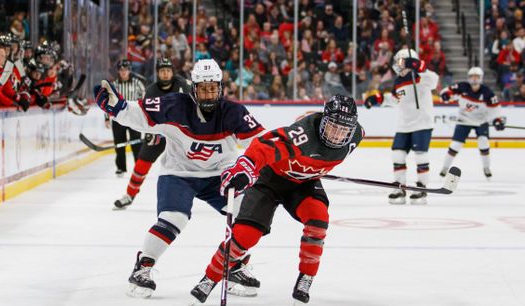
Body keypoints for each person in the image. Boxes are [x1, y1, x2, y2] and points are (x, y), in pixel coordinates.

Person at [93, 59, 265, 298]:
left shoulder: (233, 112)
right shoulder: (174, 105)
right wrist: (118, 108)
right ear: (193, 88)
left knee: (247, 215)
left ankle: (234, 265)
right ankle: (143, 267)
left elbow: (261, 143)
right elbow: (139, 114)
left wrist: (279, 157)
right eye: (203, 88)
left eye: (213, 88)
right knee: (174, 218)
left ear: (221, 88)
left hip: (220, 176)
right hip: (179, 174)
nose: (208, 93)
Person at [188, 94, 364, 305]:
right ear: (324, 120)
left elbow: (328, 149)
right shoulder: (302, 135)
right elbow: (264, 146)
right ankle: (209, 278)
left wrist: (311, 167)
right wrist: (244, 168)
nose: (337, 135)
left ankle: (306, 277)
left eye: (343, 129)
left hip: (303, 184)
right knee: (246, 235)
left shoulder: (356, 136)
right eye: (333, 127)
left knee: (318, 219)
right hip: (270, 179)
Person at [114, 57, 192, 208]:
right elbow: (146, 116)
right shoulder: (151, 91)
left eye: (168, 71)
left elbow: (193, 108)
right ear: (157, 73)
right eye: (162, 71)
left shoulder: (183, 85)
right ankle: (129, 195)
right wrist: (150, 131)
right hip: (159, 133)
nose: (165, 74)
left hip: (181, 134)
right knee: (142, 161)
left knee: (192, 163)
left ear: (172, 72)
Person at [364, 48, 439, 205]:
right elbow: (393, 99)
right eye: (397, 62)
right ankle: (399, 187)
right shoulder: (398, 81)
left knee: (420, 155)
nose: (399, 65)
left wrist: (420, 67)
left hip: (422, 123)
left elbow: (434, 80)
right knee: (397, 154)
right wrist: (377, 99)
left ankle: (421, 187)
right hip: (404, 124)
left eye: (403, 62)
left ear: (411, 62)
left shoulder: (421, 77)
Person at [439, 67, 505, 178]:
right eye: (472, 76)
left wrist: (497, 120)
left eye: (477, 77)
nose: (474, 79)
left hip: (481, 121)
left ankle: (486, 167)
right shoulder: (462, 86)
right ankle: (445, 167)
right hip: (464, 119)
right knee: (455, 145)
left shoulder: (487, 93)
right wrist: (445, 95)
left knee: (483, 143)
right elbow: (447, 91)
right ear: (468, 78)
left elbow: (495, 109)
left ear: (481, 78)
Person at [109, 59, 144, 177]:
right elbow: (108, 102)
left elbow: (144, 100)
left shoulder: (137, 83)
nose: (124, 72)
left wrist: (144, 116)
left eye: (126, 70)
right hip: (118, 118)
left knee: (137, 144)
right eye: (121, 70)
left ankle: (138, 167)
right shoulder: (114, 85)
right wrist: (106, 118)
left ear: (129, 70)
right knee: (119, 143)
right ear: (118, 71)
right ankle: (121, 168)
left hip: (134, 118)